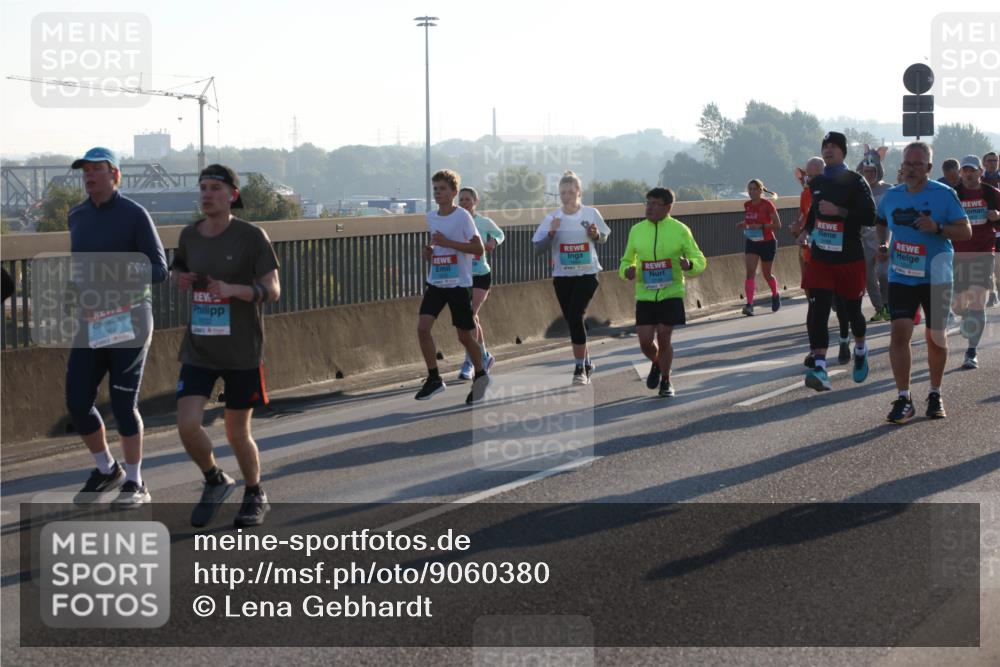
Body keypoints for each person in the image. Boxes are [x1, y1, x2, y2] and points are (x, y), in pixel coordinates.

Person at [171, 164, 281, 527]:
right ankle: (215, 479)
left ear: (232, 194)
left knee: (237, 432)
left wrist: (236, 290)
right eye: (202, 187)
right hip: (199, 348)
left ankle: (254, 492)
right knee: (187, 424)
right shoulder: (189, 235)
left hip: (241, 352)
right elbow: (177, 270)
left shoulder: (251, 236)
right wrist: (180, 278)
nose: (206, 194)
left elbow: (274, 290)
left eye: (215, 188)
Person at [66, 147, 167, 507]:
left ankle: (137, 481)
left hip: (130, 318)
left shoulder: (135, 215)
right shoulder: (76, 215)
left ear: (115, 176)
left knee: (124, 403)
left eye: (97, 170)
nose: (89, 176)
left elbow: (160, 270)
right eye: (85, 171)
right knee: (77, 401)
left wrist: (122, 269)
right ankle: (107, 469)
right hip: (92, 319)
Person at [876, 142, 971, 423]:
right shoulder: (892, 196)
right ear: (902, 165)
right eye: (908, 163)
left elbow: (965, 231)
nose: (912, 168)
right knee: (899, 332)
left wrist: (938, 228)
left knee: (935, 338)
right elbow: (881, 221)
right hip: (902, 275)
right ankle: (904, 398)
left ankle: (934, 392)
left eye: (919, 164)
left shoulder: (944, 195)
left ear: (929, 168)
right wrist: (883, 243)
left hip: (937, 276)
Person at [801, 131, 876, 391]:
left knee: (853, 312)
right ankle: (821, 368)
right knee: (818, 312)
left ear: (843, 151)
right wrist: (805, 231)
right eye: (825, 147)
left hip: (849, 258)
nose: (828, 150)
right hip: (822, 257)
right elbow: (814, 214)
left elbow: (869, 216)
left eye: (833, 146)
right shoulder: (817, 182)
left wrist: (840, 212)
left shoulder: (855, 181)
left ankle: (861, 348)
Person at [619, 187, 707, 397]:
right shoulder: (637, 230)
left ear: (668, 207)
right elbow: (626, 261)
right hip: (645, 293)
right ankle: (657, 362)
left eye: (654, 203)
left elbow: (700, 259)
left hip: (671, 292)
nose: (649, 207)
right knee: (645, 341)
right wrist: (627, 271)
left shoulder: (680, 230)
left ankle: (666, 381)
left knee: (665, 336)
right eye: (647, 203)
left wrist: (690, 265)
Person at [414, 169, 490, 404]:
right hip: (436, 280)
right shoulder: (431, 217)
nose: (438, 193)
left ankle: (480, 374)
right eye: (435, 189)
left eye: (443, 189)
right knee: (423, 328)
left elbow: (478, 249)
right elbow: (439, 247)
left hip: (459, 283)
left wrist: (449, 243)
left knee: (464, 337)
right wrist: (430, 252)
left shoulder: (463, 217)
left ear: (454, 192)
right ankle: (434, 378)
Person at [532, 171, 611, 385]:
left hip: (587, 274)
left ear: (579, 192)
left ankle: (579, 369)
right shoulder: (552, 218)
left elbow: (603, 238)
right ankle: (586, 362)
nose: (566, 196)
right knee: (573, 320)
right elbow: (538, 249)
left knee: (576, 316)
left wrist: (595, 236)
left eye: (570, 192)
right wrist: (551, 234)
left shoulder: (591, 213)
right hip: (563, 276)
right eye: (562, 193)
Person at [951, 155, 1000, 369]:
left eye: (972, 170)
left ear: (981, 171)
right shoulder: (953, 195)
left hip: (983, 253)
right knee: (959, 306)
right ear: (961, 173)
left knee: (978, 302)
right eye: (965, 170)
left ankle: (971, 352)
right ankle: (964, 315)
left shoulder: (991, 193)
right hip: (958, 254)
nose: (968, 174)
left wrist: (997, 215)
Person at [456, 186, 505, 381]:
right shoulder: (456, 222)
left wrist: (493, 242)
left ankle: (470, 361)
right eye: (461, 200)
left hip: (480, 274)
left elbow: (500, 234)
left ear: (475, 201)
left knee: (469, 316)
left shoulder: (483, 222)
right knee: (471, 319)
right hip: (462, 276)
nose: (464, 203)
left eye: (468, 199)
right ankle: (484, 356)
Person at [857, 146, 892, 321]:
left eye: (872, 171)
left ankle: (888, 304)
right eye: (866, 171)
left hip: (885, 236)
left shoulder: (888, 189)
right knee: (869, 276)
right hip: (864, 238)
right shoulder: (859, 190)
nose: (869, 174)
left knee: (883, 274)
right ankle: (879, 308)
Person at [738, 179, 782, 315]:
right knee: (750, 272)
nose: (751, 192)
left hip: (767, 242)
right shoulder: (747, 205)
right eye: (749, 189)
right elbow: (750, 220)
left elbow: (777, 225)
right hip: (752, 241)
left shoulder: (767, 205)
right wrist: (744, 224)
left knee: (766, 274)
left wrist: (762, 226)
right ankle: (749, 304)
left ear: (761, 191)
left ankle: (775, 294)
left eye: (754, 189)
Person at [983, 152, 1000, 307]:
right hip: (985, 228)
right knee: (989, 264)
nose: (993, 163)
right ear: (984, 163)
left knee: (998, 265)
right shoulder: (979, 181)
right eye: (990, 160)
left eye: (995, 160)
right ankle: (992, 293)